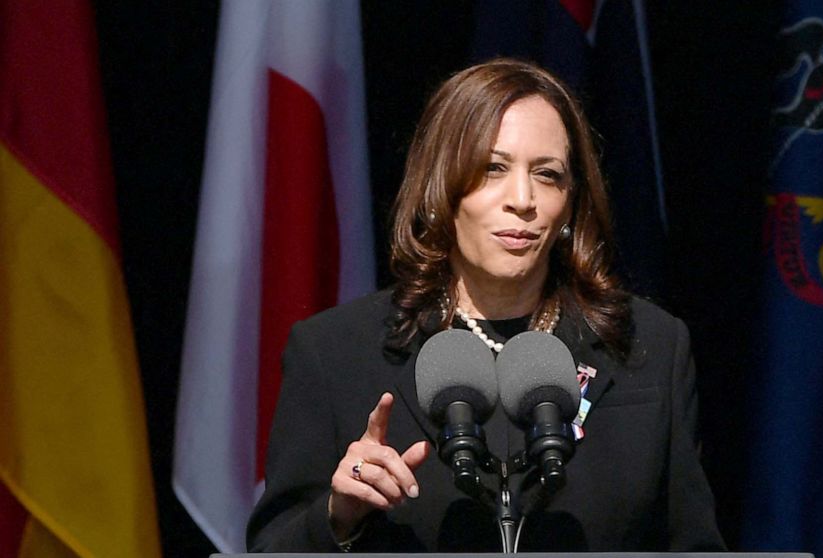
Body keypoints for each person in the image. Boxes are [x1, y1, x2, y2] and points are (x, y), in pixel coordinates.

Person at [246, 58, 725, 552]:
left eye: (547, 174)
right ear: (440, 188)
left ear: (570, 201)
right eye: (492, 168)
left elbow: (693, 545)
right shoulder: (335, 353)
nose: (523, 199)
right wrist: (339, 515)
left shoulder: (649, 347)